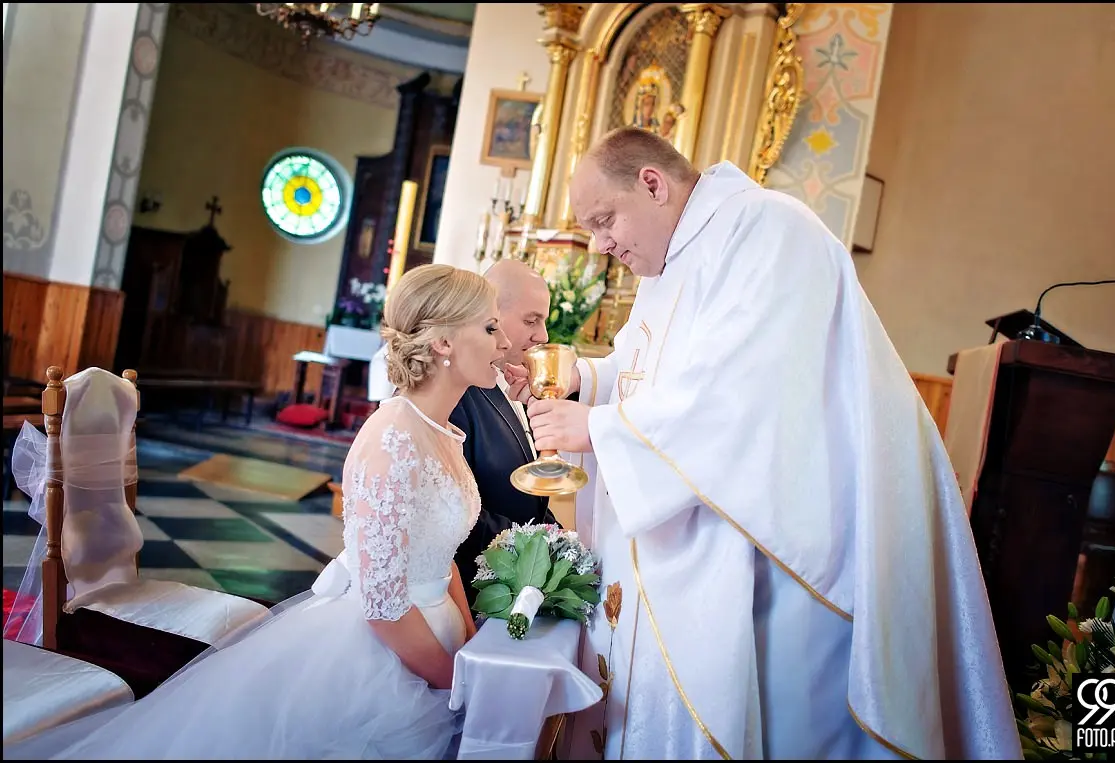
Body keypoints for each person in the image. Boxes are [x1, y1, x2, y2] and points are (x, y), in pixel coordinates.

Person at [506, 127, 1022, 760]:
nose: (599, 243)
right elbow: (644, 370)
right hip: (710, 527)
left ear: (652, 183)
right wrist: (584, 381)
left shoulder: (768, 230)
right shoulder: (669, 260)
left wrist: (599, 428)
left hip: (779, 544)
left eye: (604, 220)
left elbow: (750, 391)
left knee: (782, 719)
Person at [6, 264, 512, 760]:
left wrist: (466, 649)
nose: (505, 342)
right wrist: (452, 680)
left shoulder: (442, 431)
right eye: (490, 328)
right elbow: (382, 604)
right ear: (442, 341)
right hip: (382, 653)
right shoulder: (393, 438)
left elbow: (440, 555)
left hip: (436, 635)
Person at [449, 259, 560, 605]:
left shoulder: (508, 382)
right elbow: (452, 510)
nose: (542, 336)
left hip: (514, 587)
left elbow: (529, 498)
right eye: (531, 320)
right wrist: (539, 549)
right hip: (474, 590)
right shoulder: (456, 394)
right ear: (491, 312)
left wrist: (561, 539)